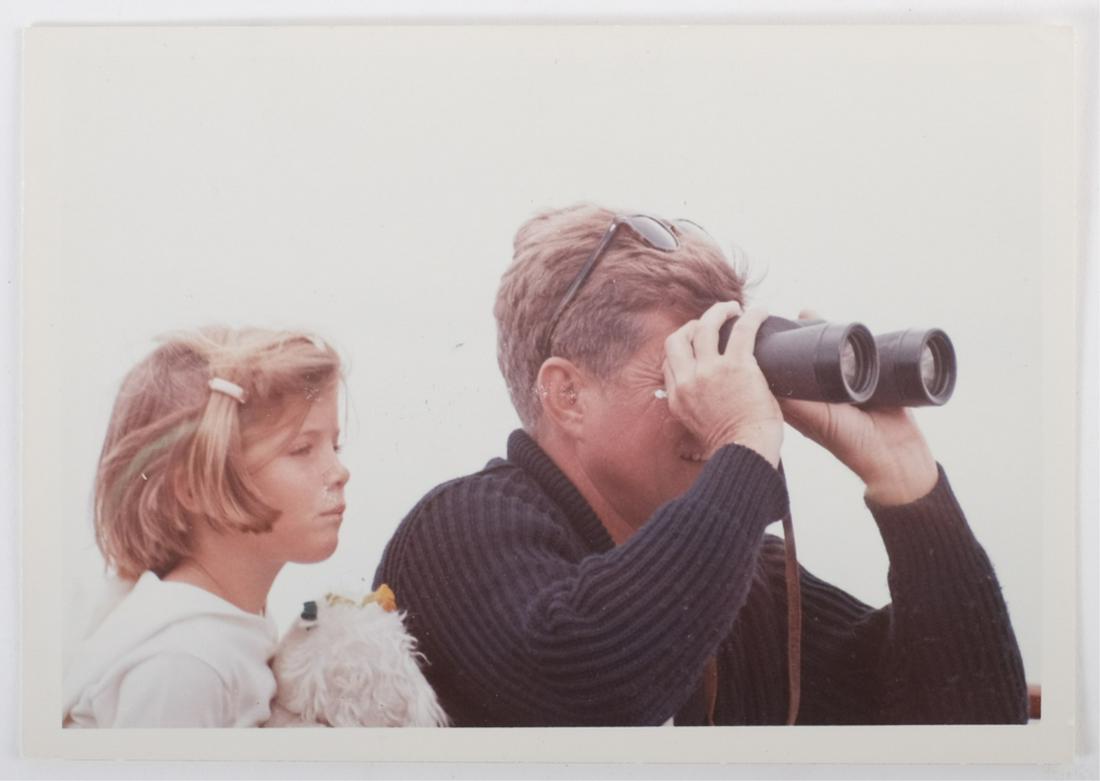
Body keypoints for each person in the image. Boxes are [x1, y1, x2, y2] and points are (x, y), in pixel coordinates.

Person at [373, 204, 1029, 727]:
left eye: (725, 370)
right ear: (567, 394)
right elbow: (587, 686)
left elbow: (968, 717)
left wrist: (907, 481)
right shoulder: (458, 531)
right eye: (682, 372)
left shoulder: (743, 585)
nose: (709, 402)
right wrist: (743, 441)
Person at [63, 327, 350, 728]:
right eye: (302, 449)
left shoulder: (223, 627)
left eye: (333, 447)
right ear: (194, 487)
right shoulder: (183, 662)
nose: (339, 472)